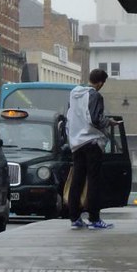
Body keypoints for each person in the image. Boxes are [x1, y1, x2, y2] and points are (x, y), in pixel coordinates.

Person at [66, 68, 120, 230]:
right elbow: (96, 119)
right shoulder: (95, 95)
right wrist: (109, 122)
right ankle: (94, 218)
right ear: (101, 83)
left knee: (77, 181)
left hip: (76, 143)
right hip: (92, 142)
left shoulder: (74, 94)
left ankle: (74, 217)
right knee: (94, 181)